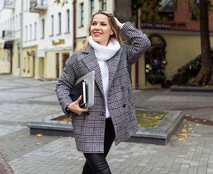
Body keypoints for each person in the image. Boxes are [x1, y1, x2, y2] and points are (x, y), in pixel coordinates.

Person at [56, 10, 151, 174]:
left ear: (112, 30)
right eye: (94, 24)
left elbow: (143, 42)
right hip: (87, 121)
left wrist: (121, 25)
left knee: (91, 168)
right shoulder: (78, 57)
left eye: (103, 24)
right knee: (102, 170)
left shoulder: (122, 53)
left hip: (111, 123)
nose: (97, 27)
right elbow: (62, 85)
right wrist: (68, 104)